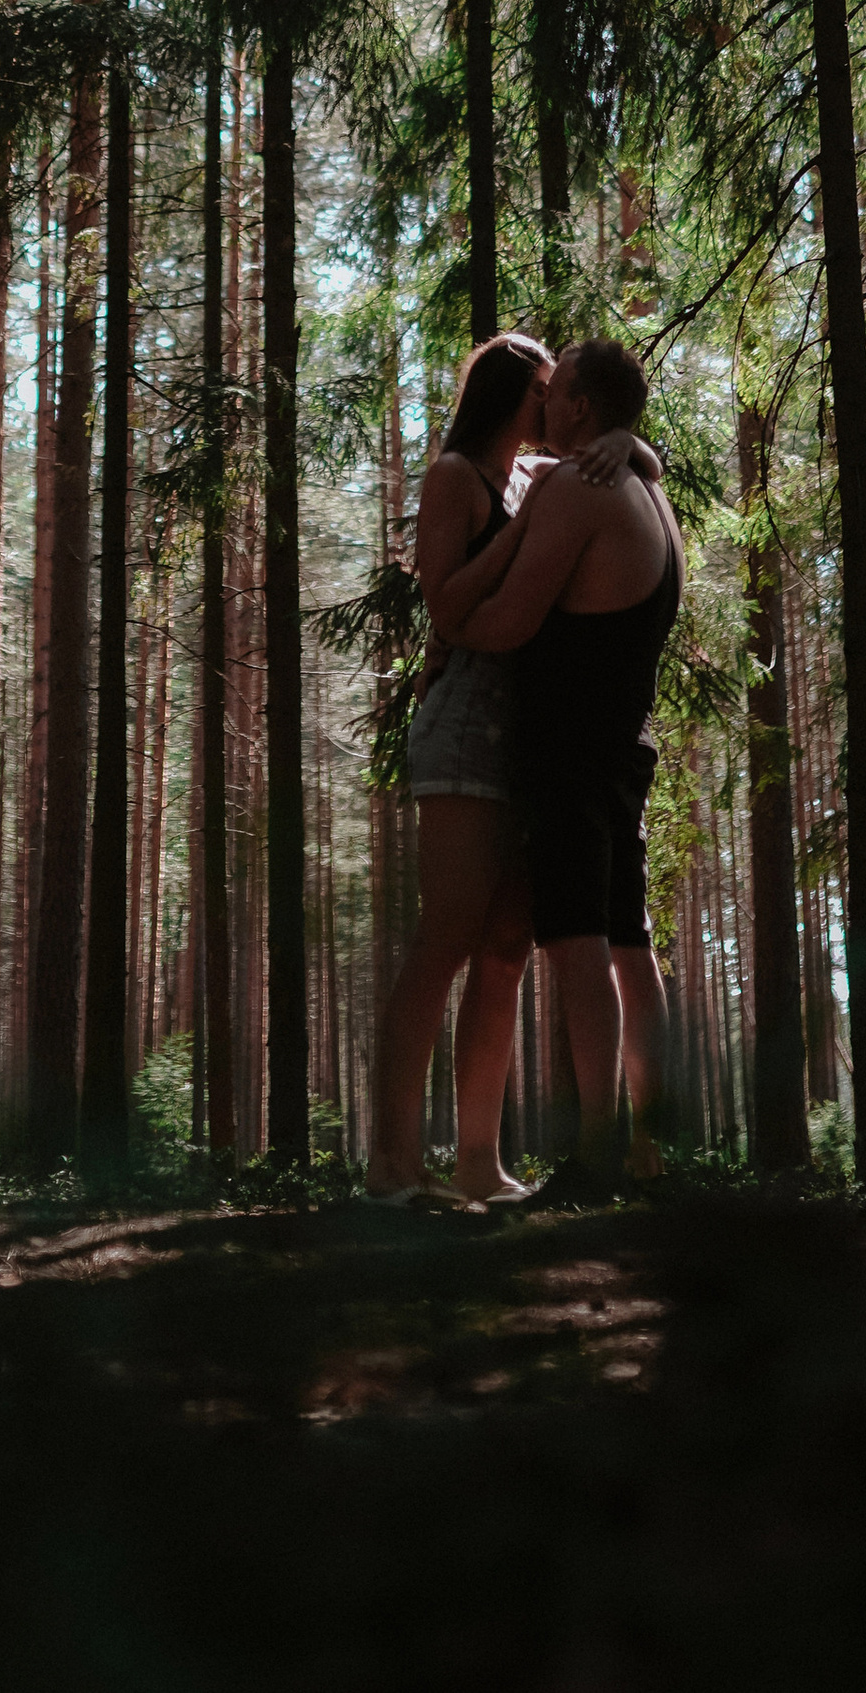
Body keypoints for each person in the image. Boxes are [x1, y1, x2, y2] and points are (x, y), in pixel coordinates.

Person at [453, 336, 683, 1190]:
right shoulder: (645, 489)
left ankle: (598, 1152)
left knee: (578, 939)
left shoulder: (582, 494)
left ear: (583, 406)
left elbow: (511, 620)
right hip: (624, 744)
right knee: (628, 941)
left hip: (573, 749)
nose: (543, 404)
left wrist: (450, 628)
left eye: (558, 394)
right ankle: (650, 1149)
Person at [364, 333, 551, 1204]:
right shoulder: (456, 478)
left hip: (526, 735)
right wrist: (524, 539)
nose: (555, 406)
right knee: (444, 939)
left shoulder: (527, 477)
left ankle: (481, 1162)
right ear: (513, 396)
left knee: (509, 945)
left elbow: (626, 459)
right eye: (544, 391)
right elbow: (443, 599)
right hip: (465, 726)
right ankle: (393, 1164)